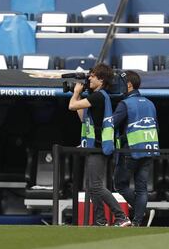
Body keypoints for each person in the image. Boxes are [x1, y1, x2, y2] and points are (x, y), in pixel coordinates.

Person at [68, 63, 131, 227]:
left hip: (97, 146)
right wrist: (79, 96)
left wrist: (75, 93)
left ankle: (121, 216)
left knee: (95, 185)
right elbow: (82, 117)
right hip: (94, 146)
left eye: (92, 75)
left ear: (101, 79)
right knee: (91, 186)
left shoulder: (99, 96)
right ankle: (101, 221)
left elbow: (71, 106)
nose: (89, 78)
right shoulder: (97, 97)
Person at [113, 70, 159, 227]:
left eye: (120, 82)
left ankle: (141, 212)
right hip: (148, 149)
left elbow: (111, 125)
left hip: (130, 151)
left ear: (129, 84)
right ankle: (138, 221)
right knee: (142, 188)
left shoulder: (125, 104)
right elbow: (156, 128)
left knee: (119, 184)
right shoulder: (150, 103)